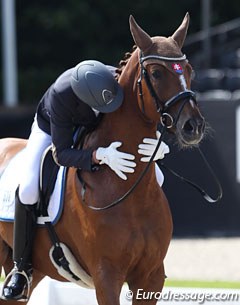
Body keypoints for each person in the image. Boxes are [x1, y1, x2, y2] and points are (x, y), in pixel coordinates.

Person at [1, 60, 169, 301]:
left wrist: (158, 142)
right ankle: (21, 268)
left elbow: (143, 113)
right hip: (54, 129)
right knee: (28, 188)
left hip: (99, 127)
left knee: (158, 177)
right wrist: (98, 155)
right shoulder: (62, 95)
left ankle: (152, 254)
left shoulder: (118, 79)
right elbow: (61, 153)